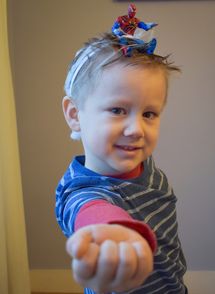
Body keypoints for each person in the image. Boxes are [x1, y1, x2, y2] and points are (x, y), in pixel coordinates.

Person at [55, 6, 187, 294]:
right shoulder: (80, 191)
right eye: (118, 110)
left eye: (149, 114)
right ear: (75, 115)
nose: (137, 129)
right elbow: (93, 211)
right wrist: (113, 234)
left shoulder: (142, 163)